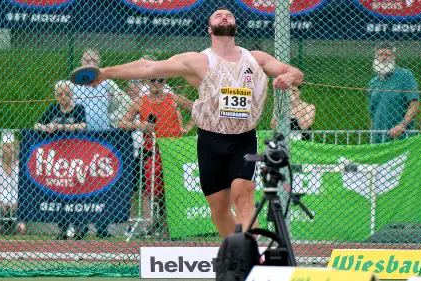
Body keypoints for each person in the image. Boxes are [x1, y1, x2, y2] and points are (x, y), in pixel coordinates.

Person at [83, 7, 304, 238]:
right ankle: (234, 247)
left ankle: (250, 251)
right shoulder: (199, 61)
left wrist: (289, 76)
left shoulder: (256, 58)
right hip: (209, 140)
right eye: (218, 16)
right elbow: (149, 66)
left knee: (243, 194)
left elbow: (295, 73)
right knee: (218, 208)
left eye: (229, 15)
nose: (224, 17)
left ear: (235, 26)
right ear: (209, 28)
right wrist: (106, 72)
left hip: (244, 139)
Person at [119, 78, 195, 238]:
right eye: (153, 80)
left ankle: (171, 228)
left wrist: (186, 128)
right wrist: (140, 125)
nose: (157, 83)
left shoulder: (173, 98)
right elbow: (123, 122)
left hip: (174, 152)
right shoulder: (141, 101)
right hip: (152, 151)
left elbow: (197, 110)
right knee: (155, 191)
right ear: (148, 82)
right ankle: (157, 223)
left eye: (160, 80)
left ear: (165, 81)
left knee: (174, 190)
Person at [72, 48, 127, 238]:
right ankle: (81, 226)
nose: (91, 63)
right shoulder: (73, 84)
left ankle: (102, 227)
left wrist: (113, 120)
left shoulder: (107, 83)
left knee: (101, 181)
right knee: (81, 182)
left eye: (95, 60)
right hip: (80, 138)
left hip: (103, 139)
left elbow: (125, 102)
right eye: (87, 59)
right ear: (81, 62)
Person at [34, 80, 87, 239]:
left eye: (66, 93)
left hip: (75, 157)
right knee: (59, 191)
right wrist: (47, 127)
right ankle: (62, 228)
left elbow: (82, 126)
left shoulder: (78, 109)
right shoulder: (52, 109)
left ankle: (79, 228)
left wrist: (61, 127)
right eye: (59, 94)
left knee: (76, 190)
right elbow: (37, 124)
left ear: (71, 93)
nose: (63, 96)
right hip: (58, 159)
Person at [368, 42, 420, 144]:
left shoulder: (405, 76)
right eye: (380, 55)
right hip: (378, 139)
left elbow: (415, 105)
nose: (384, 57)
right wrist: (372, 135)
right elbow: (372, 113)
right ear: (375, 58)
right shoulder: (373, 82)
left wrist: (402, 125)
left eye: (387, 55)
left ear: (393, 57)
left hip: (401, 138)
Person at [0, 132, 26, 235]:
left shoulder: (21, 166)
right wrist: (0, 203)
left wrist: (18, 203)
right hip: (0, 204)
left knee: (21, 226)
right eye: (8, 146)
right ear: (2, 148)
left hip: (17, 205)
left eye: (13, 146)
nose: (11, 149)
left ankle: (16, 226)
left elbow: (25, 190)